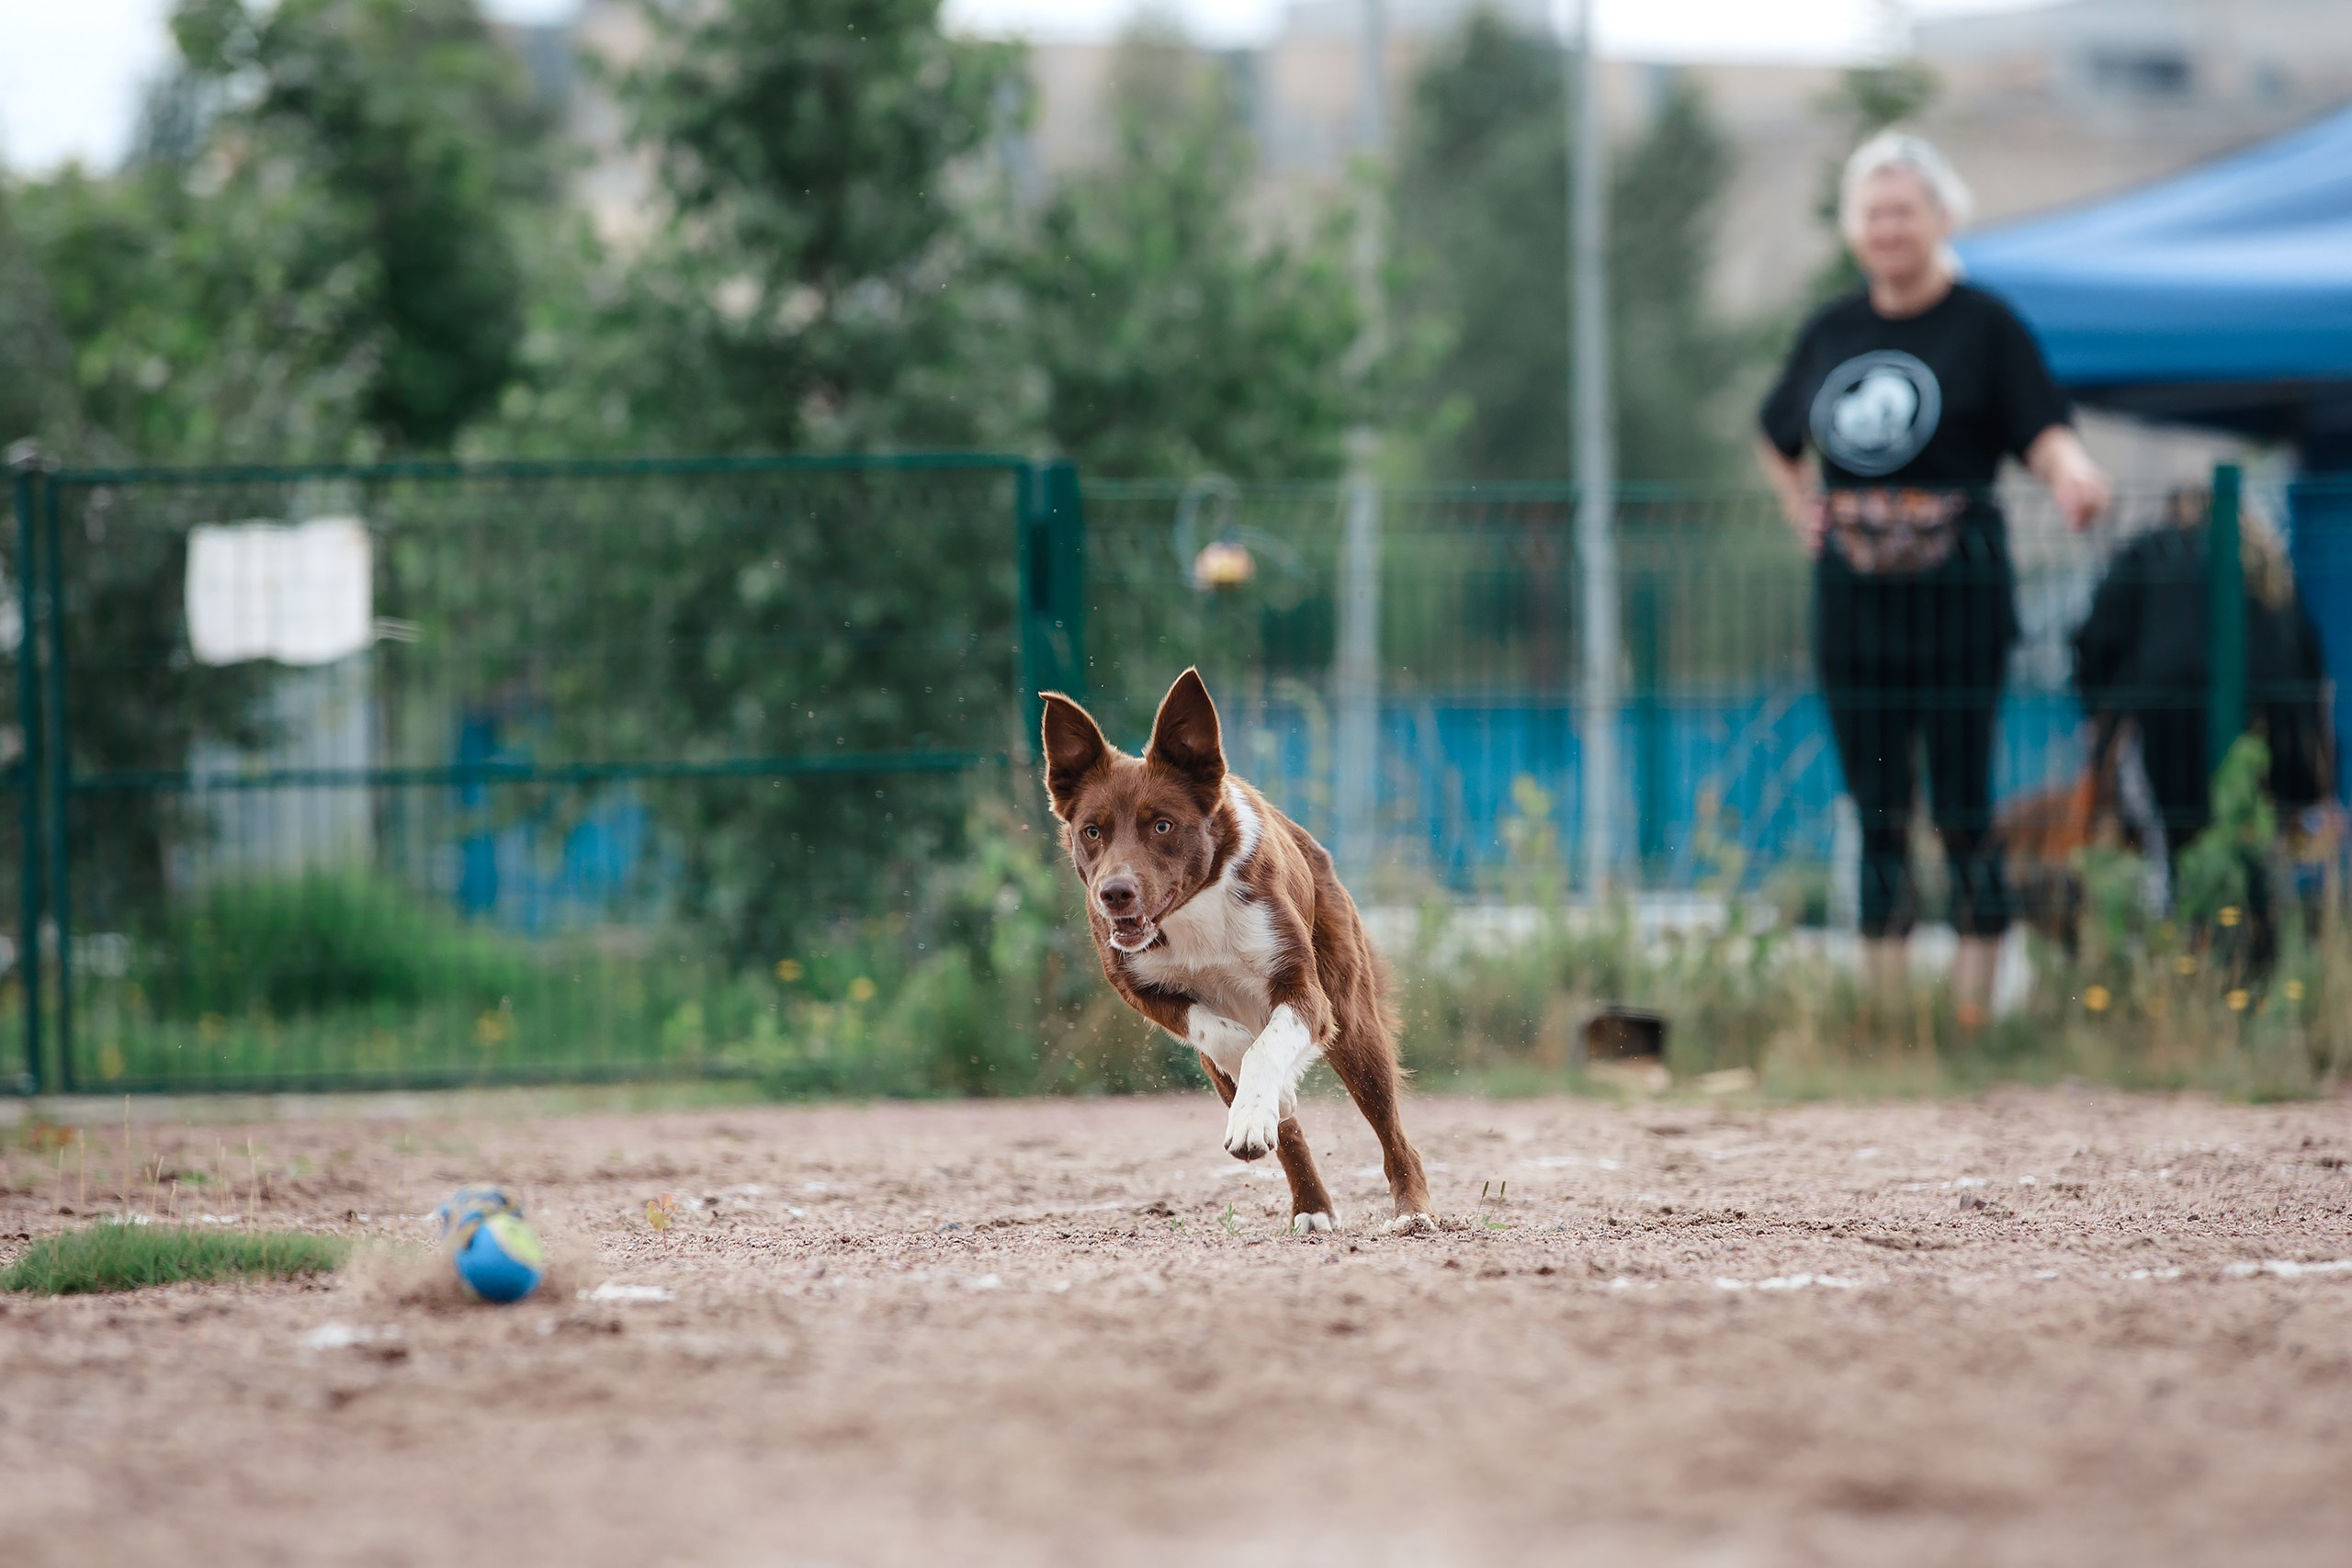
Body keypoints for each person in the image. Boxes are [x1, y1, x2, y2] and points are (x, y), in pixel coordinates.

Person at [1757, 130, 2111, 1025]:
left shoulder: (1984, 324)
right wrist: (1799, 505)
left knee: (1961, 804)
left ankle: (1967, 1021)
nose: (1888, 228)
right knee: (1876, 810)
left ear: (1941, 218)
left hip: (1962, 607)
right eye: (1872, 213)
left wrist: (2071, 474)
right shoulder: (1832, 330)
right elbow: (1775, 433)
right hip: (1853, 611)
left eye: (1903, 211)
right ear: (1854, 229)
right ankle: (1886, 1026)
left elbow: (2042, 427)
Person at [2073, 484, 2335, 915]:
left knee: (2174, 846)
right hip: (2264, 726)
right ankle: (2249, 954)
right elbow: (2309, 674)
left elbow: (2096, 640)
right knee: (2251, 844)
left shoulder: (2149, 552)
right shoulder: (2265, 564)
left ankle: (2184, 951)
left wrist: (2098, 713)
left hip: (2165, 718)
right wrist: (2316, 784)